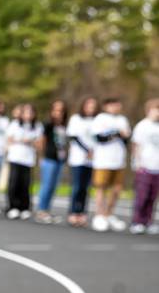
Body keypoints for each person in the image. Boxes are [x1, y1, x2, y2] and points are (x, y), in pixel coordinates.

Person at [90, 98, 131, 232]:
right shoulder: (100, 119)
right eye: (112, 105)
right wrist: (117, 133)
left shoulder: (122, 120)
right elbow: (99, 138)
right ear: (106, 106)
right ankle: (99, 215)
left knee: (117, 189)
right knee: (101, 187)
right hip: (103, 160)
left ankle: (109, 214)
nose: (115, 107)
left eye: (117, 105)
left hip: (118, 160)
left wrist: (122, 136)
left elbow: (126, 139)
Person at [5, 104, 43, 220]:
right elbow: (9, 139)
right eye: (26, 112)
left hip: (28, 159)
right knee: (14, 183)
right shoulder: (15, 124)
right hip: (16, 157)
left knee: (25, 184)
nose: (28, 115)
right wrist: (23, 140)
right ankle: (13, 207)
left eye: (31, 112)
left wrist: (30, 141)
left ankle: (25, 208)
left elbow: (39, 143)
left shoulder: (37, 126)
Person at [66, 97, 98, 227]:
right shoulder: (76, 119)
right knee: (77, 186)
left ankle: (82, 213)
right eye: (89, 106)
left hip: (92, 160)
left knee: (86, 188)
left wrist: (94, 152)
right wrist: (87, 150)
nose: (91, 108)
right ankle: (73, 212)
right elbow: (74, 137)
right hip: (78, 158)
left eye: (93, 106)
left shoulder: (97, 120)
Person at [35, 100, 68, 224]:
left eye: (61, 110)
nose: (58, 113)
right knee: (46, 185)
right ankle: (41, 211)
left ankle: (47, 210)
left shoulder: (63, 126)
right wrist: (41, 156)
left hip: (59, 159)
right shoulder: (47, 125)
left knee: (54, 186)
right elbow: (41, 141)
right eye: (56, 110)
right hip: (48, 158)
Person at [129, 99, 159, 235]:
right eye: (156, 109)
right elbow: (136, 145)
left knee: (153, 197)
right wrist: (137, 163)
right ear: (149, 110)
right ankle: (137, 221)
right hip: (145, 166)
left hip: (157, 167)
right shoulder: (142, 126)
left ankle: (148, 221)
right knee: (142, 196)